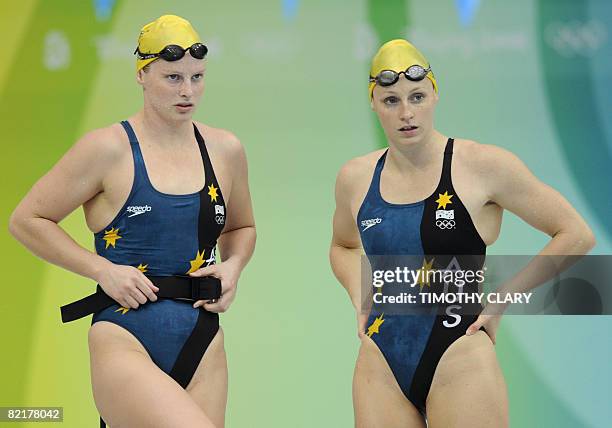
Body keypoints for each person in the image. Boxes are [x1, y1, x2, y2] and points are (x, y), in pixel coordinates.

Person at [329, 39, 594, 427]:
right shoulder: (355, 178)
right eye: (391, 100)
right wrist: (359, 295)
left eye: (417, 96)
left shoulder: (482, 165)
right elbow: (342, 245)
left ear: (435, 94)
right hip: (380, 361)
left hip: (460, 354)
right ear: (373, 103)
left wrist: (504, 296)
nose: (406, 113)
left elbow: (575, 233)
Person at [9, 14, 255, 428]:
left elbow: (241, 228)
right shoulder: (107, 149)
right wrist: (102, 270)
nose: (188, 91)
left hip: (203, 340)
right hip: (124, 336)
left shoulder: (225, 149)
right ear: (142, 74)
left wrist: (232, 267)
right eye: (173, 77)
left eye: (197, 77)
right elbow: (27, 219)